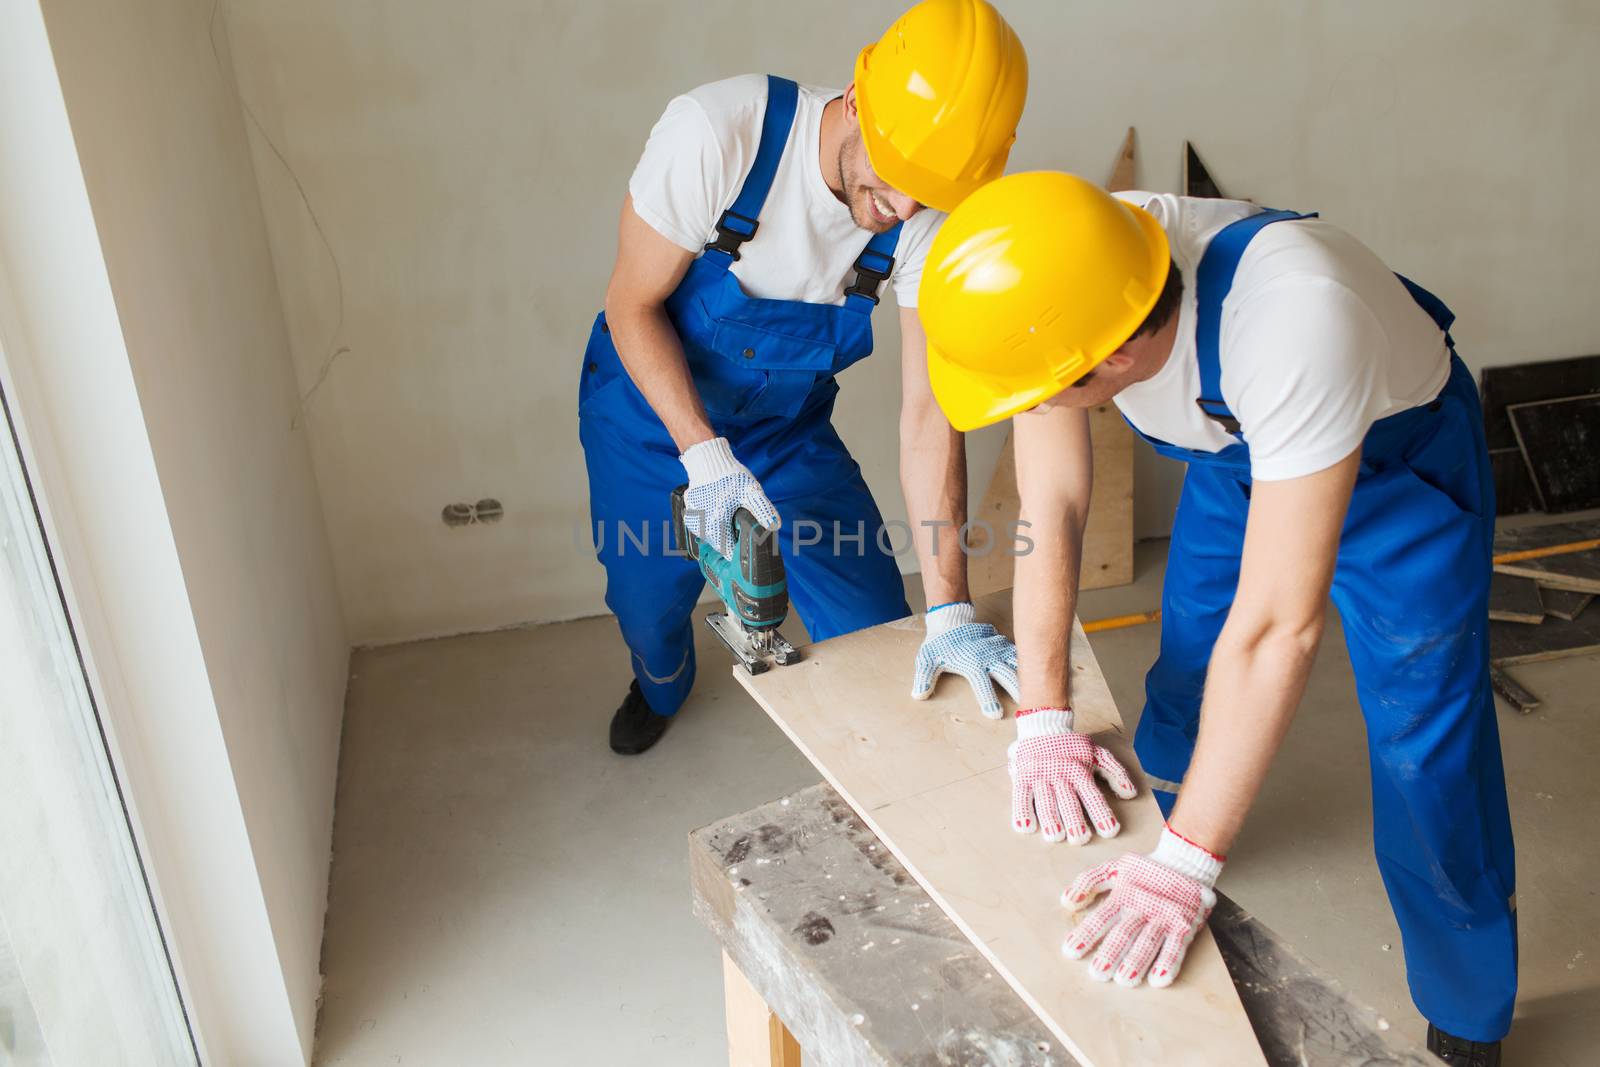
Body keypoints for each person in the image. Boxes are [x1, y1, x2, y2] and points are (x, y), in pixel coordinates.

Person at [916, 172, 1515, 1066]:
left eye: (1033, 392)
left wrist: (1187, 866)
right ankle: (1171, 808)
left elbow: (1280, 629)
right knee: (1192, 660)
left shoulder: (1296, 320)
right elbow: (1053, 505)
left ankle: (1468, 1012)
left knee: (1424, 742)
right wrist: (1045, 714)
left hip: (1402, 470)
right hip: (1240, 454)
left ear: (1112, 359)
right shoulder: (1074, 267)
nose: (1025, 408)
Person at [580, 0, 1029, 755]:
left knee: (879, 620)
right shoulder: (722, 133)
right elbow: (631, 305)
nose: (904, 209)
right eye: (897, 176)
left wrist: (950, 607)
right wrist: (704, 454)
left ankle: (894, 762)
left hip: (787, 434)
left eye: (931, 191)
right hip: (646, 419)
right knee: (647, 605)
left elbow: (930, 413)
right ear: (856, 100)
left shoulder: (925, 217)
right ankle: (661, 682)